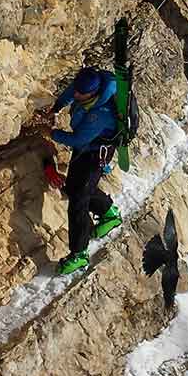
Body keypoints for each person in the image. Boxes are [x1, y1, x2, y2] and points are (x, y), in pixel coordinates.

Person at [40, 66, 123, 274]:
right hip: (86, 148)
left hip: (95, 153)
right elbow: (71, 93)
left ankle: (79, 253)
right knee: (78, 188)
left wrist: (52, 133)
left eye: (81, 93)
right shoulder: (85, 87)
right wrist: (56, 107)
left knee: (78, 200)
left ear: (93, 93)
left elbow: (77, 139)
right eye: (76, 89)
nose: (76, 94)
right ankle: (108, 213)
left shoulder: (101, 113)